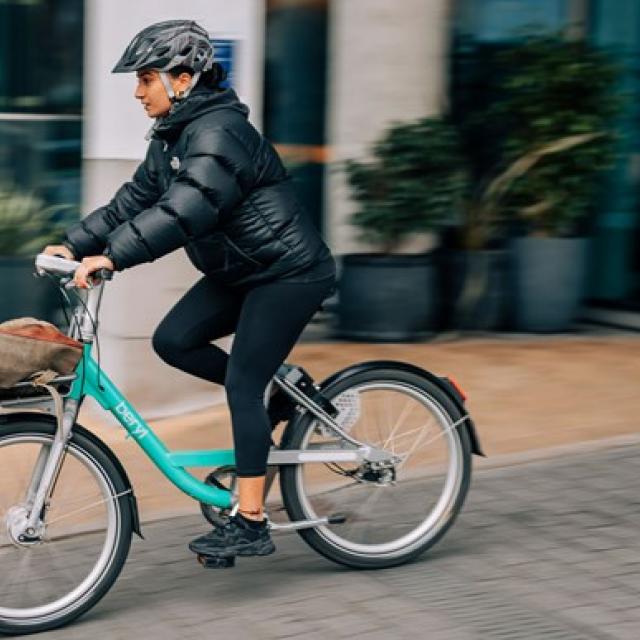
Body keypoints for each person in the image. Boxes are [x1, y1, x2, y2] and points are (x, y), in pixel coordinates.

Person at [43, 20, 336, 560]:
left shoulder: (219, 133)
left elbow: (186, 210)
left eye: (146, 78)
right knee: (174, 341)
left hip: (288, 274)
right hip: (241, 272)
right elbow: (133, 203)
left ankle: (250, 520)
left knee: (242, 385)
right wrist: (73, 243)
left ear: (183, 79)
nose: (137, 91)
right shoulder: (173, 137)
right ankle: (281, 392)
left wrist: (114, 256)